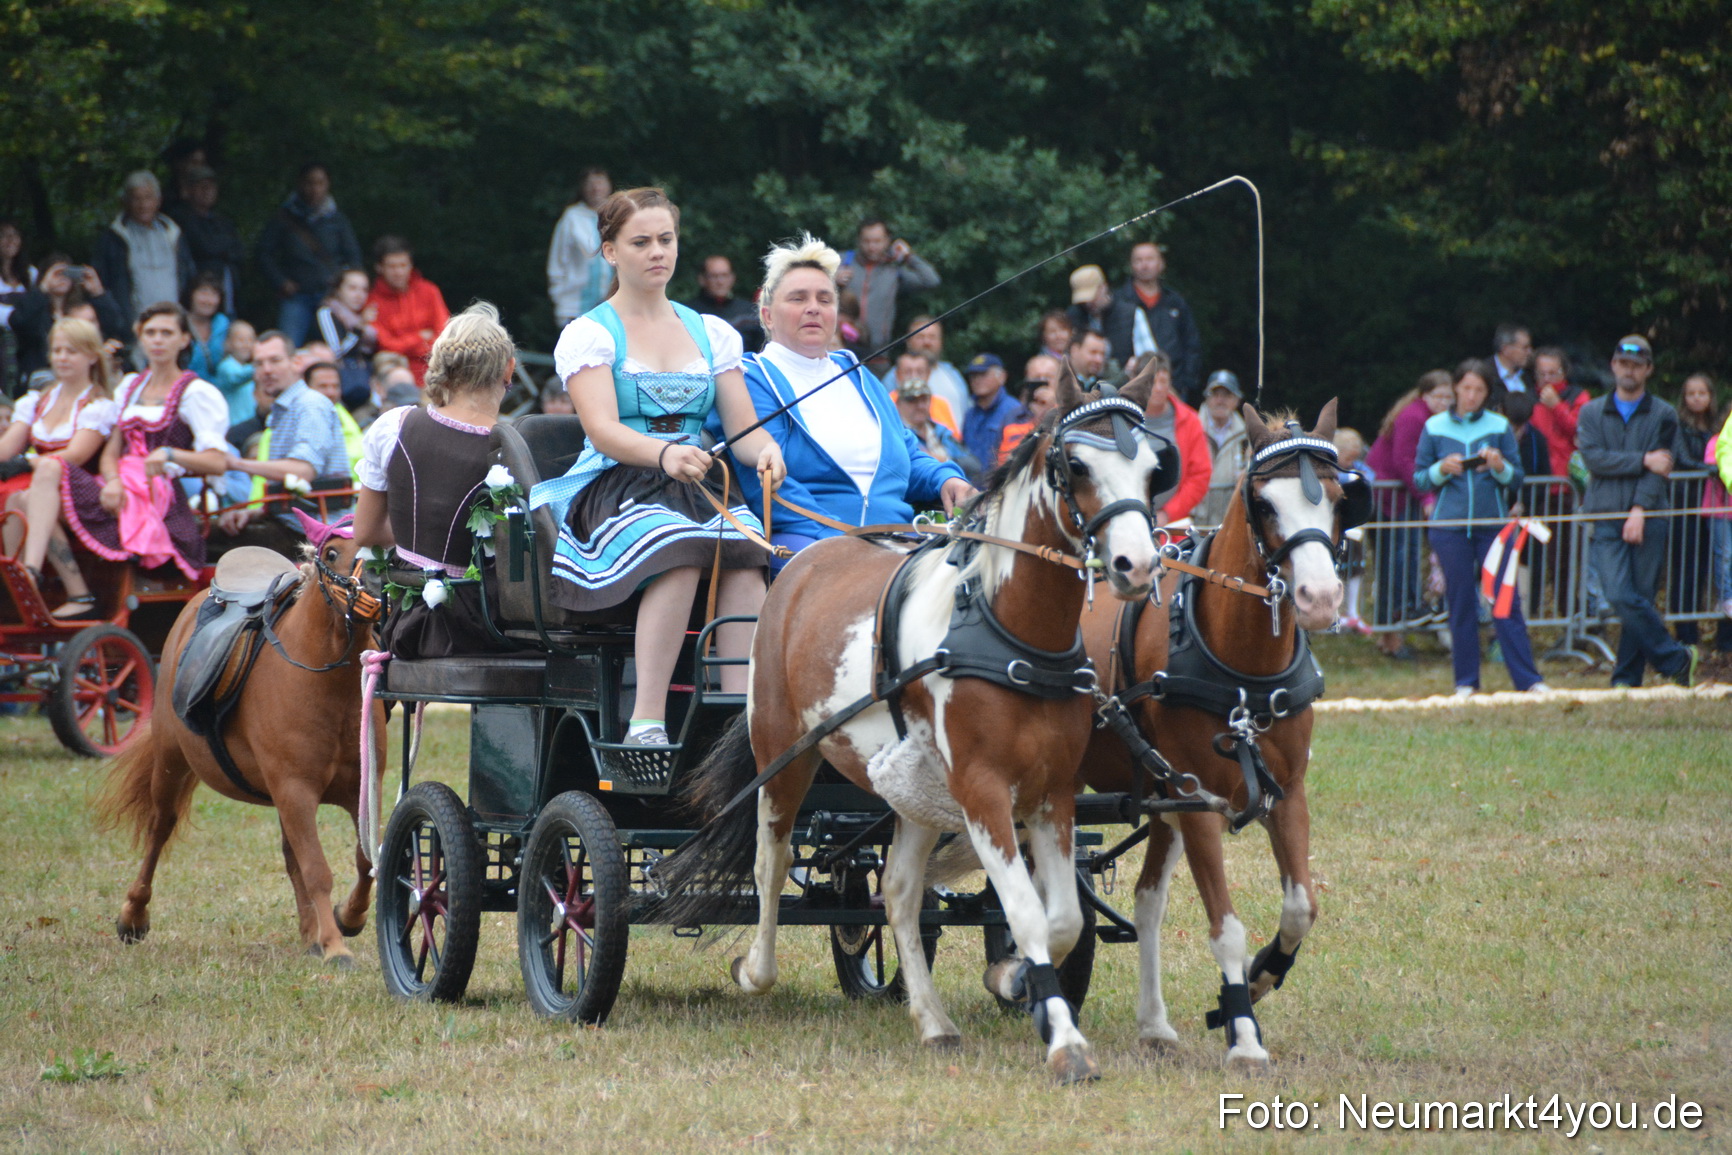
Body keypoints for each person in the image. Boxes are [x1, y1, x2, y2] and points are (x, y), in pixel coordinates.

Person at [529, 188, 787, 746]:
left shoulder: (709, 332)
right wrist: (666, 453)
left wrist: (765, 449)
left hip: (698, 483)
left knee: (745, 554)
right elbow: (603, 429)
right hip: (619, 484)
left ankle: (739, 715)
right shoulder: (591, 333)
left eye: (665, 240)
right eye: (640, 242)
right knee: (676, 547)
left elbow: (741, 429)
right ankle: (647, 720)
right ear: (610, 252)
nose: (657, 253)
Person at [731, 231, 971, 562]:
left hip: (897, 540)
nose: (814, 308)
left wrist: (946, 479)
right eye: (798, 298)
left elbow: (907, 454)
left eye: (825, 299)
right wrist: (842, 540)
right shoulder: (751, 378)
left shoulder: (857, 373)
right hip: (809, 543)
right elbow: (768, 486)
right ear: (768, 315)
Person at [355, 302, 526, 659]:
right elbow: (521, 559)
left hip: (404, 617)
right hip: (488, 625)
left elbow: (367, 533)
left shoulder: (394, 426)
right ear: (508, 370)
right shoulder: (516, 450)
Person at [59, 303, 230, 598]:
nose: (158, 340)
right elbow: (112, 451)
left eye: (167, 332)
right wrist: (113, 481)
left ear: (184, 339)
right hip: (121, 486)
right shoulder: (129, 386)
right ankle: (57, 583)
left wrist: (171, 455)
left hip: (160, 499)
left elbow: (217, 462)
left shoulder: (196, 392)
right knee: (50, 486)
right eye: (150, 332)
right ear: (140, 337)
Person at [1413, 359, 1547, 695]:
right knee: (1460, 603)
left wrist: (1499, 466)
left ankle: (1528, 680)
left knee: (1505, 601)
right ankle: (1466, 682)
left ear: (1487, 393)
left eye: (1479, 390)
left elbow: (1516, 476)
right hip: (1449, 527)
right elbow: (1419, 478)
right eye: (1467, 388)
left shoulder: (1499, 426)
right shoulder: (1434, 426)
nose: (1471, 395)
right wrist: (1442, 469)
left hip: (1493, 526)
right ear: (1457, 387)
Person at [1578, 335, 1696, 687]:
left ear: (1648, 370)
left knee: (1640, 596)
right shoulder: (1591, 412)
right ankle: (1675, 657)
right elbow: (1594, 459)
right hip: (1605, 513)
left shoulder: (1663, 413)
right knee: (1618, 594)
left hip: (1650, 514)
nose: (1629, 371)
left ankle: (1626, 678)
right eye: (1623, 364)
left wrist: (1640, 509)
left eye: (1636, 365)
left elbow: (1662, 468)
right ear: (1614, 365)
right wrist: (1642, 459)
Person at [0, 319, 120, 615]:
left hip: (87, 499)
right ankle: (55, 592)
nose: (62, 358)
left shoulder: (98, 405)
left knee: (49, 469)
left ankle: (29, 568)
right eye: (57, 351)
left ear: (92, 356)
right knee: (20, 498)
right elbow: (6, 450)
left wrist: (28, 460)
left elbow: (75, 456)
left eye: (72, 351)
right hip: (44, 497)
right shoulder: (37, 401)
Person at [216, 331, 351, 545]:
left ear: (296, 363)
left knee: (202, 537)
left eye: (275, 361)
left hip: (314, 532)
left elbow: (303, 471)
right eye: (259, 364)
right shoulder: (283, 409)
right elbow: (290, 491)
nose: (266, 370)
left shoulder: (309, 405)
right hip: (290, 521)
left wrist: (236, 463)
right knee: (215, 529)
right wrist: (254, 513)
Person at [1366, 370, 1455, 655]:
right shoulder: (1414, 417)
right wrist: (1427, 495)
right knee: (1395, 565)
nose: (1443, 402)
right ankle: (1392, 634)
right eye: (1438, 396)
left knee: (1398, 563)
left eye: (1447, 397)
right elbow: (1405, 462)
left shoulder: (1430, 417)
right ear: (1424, 395)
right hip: (1391, 498)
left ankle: (1393, 633)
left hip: (1401, 497)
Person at [255, 163, 364, 344]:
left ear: (327, 184)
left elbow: (353, 257)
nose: (314, 188)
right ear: (300, 184)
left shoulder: (337, 219)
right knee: (289, 344)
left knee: (338, 346)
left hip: (331, 296)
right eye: (309, 183)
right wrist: (281, 281)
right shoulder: (284, 218)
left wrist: (346, 286)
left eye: (320, 183)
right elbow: (264, 254)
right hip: (296, 296)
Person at [1103, 242, 1202, 404]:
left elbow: (1191, 344)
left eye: (1150, 259)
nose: (1144, 265)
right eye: (1138, 260)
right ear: (1131, 265)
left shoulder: (1175, 302)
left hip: (1174, 387)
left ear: (1161, 264)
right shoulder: (1119, 302)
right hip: (1131, 388)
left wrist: (1186, 382)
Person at [92, 171, 194, 326]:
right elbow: (104, 284)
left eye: (148, 197)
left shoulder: (173, 234)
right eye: (136, 198)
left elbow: (189, 276)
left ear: (158, 201)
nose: (143, 205)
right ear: (126, 201)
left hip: (174, 323)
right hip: (135, 325)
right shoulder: (114, 239)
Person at [834, 218, 939, 359]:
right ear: (859, 241)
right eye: (866, 241)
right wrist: (831, 280)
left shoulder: (893, 270)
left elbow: (931, 280)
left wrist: (908, 256)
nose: (871, 247)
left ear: (888, 241)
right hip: (840, 348)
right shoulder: (840, 261)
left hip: (878, 354)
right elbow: (805, 281)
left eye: (877, 241)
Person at [1667, 373, 1719, 648]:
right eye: (1691, 393)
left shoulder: (1718, 426)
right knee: (1686, 568)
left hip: (1715, 504)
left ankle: (1722, 632)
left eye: (1702, 393)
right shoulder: (1678, 425)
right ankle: (1685, 632)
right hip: (1686, 503)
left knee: (1718, 567)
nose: (1697, 398)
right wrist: (1712, 470)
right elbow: (1683, 460)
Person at [9, 261, 128, 379]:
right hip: (41, 378)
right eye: (57, 274)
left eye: (67, 273)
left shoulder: (82, 309)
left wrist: (98, 292)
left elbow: (115, 325)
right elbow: (18, 321)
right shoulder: (35, 310)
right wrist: (43, 288)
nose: (62, 278)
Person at [1137, 351, 1209, 527]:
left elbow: (1200, 475)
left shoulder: (1190, 420)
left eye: (1163, 381)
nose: (1159, 388)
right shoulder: (1122, 419)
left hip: (1173, 526)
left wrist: (1168, 513)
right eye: (1153, 381)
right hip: (1129, 518)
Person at [365, 237, 449, 386]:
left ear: (410, 265)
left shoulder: (429, 291)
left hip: (433, 361)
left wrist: (408, 345)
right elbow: (386, 345)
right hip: (399, 367)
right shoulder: (372, 301)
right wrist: (419, 337)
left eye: (403, 265)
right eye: (392, 266)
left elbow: (444, 333)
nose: (398, 272)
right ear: (379, 268)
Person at [165, 164, 245, 312]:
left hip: (227, 289)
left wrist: (220, 248)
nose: (207, 191)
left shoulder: (222, 220)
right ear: (189, 190)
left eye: (211, 186)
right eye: (202, 186)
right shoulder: (181, 218)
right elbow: (205, 246)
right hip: (199, 290)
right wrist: (223, 248)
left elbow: (238, 251)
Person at [547, 167, 614, 327]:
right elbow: (557, 259)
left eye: (600, 183)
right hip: (575, 306)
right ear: (583, 188)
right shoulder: (572, 217)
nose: (596, 189)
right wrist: (559, 297)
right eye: (591, 184)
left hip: (610, 305)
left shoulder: (616, 216)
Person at [1192, 369, 1250, 527]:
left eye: (1227, 395)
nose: (1220, 400)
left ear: (1237, 400)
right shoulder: (1191, 430)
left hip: (1228, 524)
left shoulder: (1246, 438)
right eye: (1215, 394)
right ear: (1207, 398)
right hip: (1193, 522)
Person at [895, 375, 981, 481]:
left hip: (956, 490)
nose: (920, 406)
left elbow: (974, 466)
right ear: (898, 404)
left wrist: (945, 460)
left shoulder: (941, 431)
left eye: (924, 400)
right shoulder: (896, 435)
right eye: (912, 400)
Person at [882, 314, 968, 418]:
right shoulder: (894, 377)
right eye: (920, 337)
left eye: (932, 337)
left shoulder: (953, 374)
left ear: (941, 342)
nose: (927, 342)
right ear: (908, 342)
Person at [316, 267, 378, 408]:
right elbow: (336, 352)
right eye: (352, 288)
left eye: (364, 290)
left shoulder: (363, 315)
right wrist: (359, 327)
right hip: (339, 382)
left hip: (363, 378)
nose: (359, 295)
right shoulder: (327, 312)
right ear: (338, 290)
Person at [1334, 427, 1374, 634]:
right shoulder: (1328, 468)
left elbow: (1370, 477)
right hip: (1334, 528)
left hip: (1354, 529)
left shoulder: (1357, 468)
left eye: (1353, 459)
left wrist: (1356, 476)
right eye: (1347, 459)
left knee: (1356, 566)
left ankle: (1353, 612)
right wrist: (1350, 478)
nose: (1351, 463)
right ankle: (1334, 612)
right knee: (1335, 569)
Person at [959, 353, 1022, 471]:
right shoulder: (970, 413)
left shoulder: (1014, 410)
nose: (977, 380)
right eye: (973, 376)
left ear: (1002, 377)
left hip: (1000, 484)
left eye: (983, 374)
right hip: (971, 484)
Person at [1530, 345, 1589, 470]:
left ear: (1564, 373)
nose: (1546, 379)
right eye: (1541, 374)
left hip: (1568, 476)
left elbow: (1580, 430)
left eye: (1552, 374)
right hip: (1537, 474)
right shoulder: (1528, 398)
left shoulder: (1578, 396)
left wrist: (1556, 406)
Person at [305, 360, 365, 472]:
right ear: (306, 387)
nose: (331, 392)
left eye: (335, 386)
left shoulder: (343, 414)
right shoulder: (299, 417)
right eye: (323, 386)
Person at [888, 350, 959, 436]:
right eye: (908, 372)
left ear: (928, 374)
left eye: (920, 372)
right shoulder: (887, 403)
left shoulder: (941, 403)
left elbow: (953, 440)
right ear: (897, 375)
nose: (914, 377)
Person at [686, 254, 757, 333]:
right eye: (714, 276)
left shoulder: (749, 312)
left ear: (732, 278)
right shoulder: (689, 313)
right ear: (702, 279)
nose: (720, 282)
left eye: (725, 275)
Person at [181, 270, 230, 381]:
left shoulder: (223, 324)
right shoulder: (179, 323)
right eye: (203, 293)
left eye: (214, 294)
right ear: (191, 294)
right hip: (185, 390)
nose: (208, 300)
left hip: (217, 392)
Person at [213, 318, 257, 427]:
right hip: (233, 425)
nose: (246, 345)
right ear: (228, 343)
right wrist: (259, 364)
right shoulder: (225, 366)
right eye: (241, 340)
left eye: (250, 340)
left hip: (249, 424)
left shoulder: (249, 368)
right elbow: (236, 377)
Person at [1489, 323, 1533, 401]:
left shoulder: (1529, 374)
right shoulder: (1485, 375)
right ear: (1506, 349)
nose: (1530, 352)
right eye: (1525, 348)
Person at [1065, 264, 1110, 339]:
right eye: (1083, 300)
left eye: (1092, 297)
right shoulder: (1072, 317)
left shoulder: (1129, 314)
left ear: (1103, 287)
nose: (1088, 303)